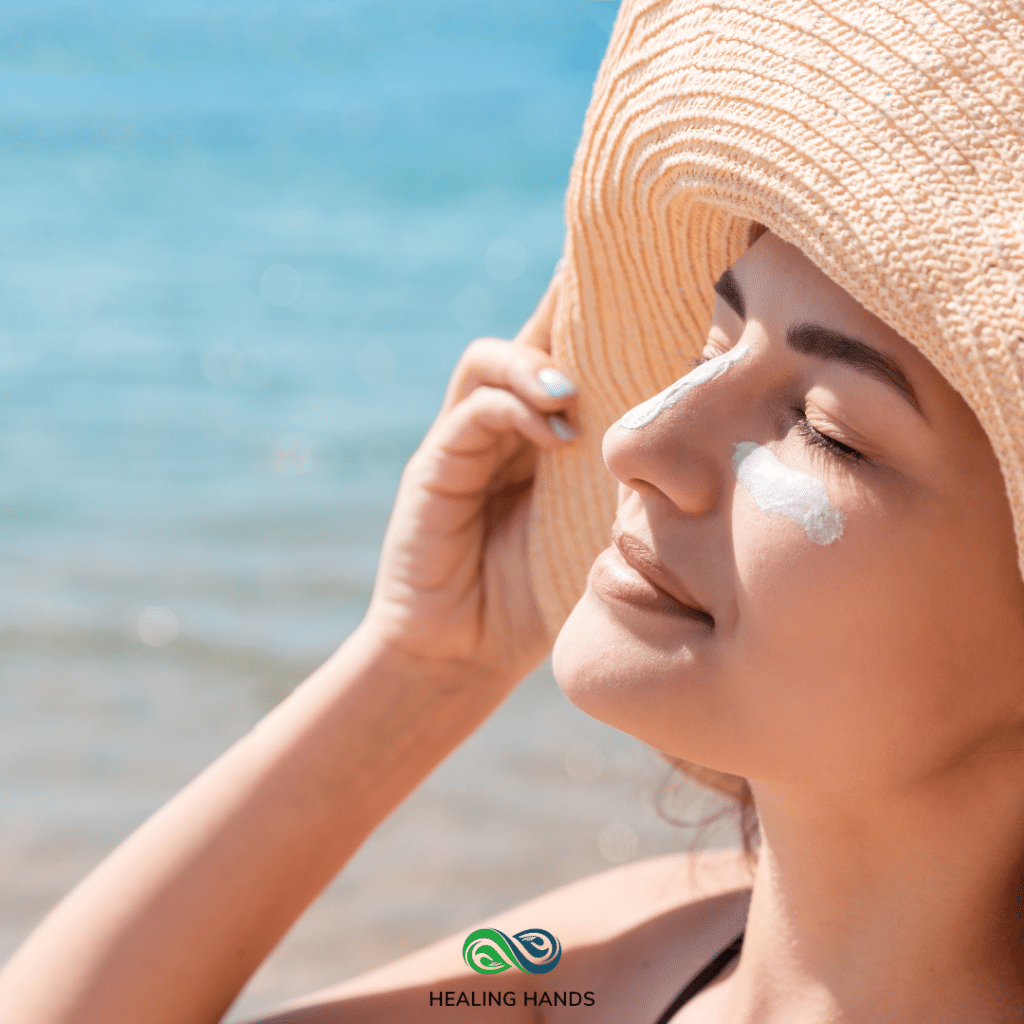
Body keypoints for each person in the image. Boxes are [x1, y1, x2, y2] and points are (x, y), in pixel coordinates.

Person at [3, 1, 1024, 1021]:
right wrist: (424, 663)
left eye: (823, 426)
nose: (638, 439)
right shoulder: (612, 961)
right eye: (714, 345)